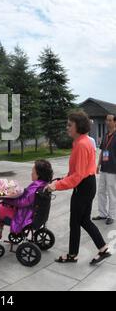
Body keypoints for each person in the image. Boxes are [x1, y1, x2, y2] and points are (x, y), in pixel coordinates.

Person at [47, 111, 110, 265]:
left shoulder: (82, 144)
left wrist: (56, 185)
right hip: (87, 183)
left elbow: (77, 176)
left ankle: (72, 255)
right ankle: (103, 249)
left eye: (70, 125)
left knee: (75, 222)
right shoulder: (82, 141)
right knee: (84, 220)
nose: (67, 127)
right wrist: (64, 178)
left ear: (78, 126)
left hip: (84, 186)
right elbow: (76, 170)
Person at [0, 159, 53, 244]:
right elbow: (27, 198)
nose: (31, 173)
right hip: (32, 214)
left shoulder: (36, 187)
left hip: (24, 216)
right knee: (1, 209)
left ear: (39, 174)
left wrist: (3, 197)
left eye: (33, 172)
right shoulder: (43, 184)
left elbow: (21, 202)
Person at [93, 114, 116, 225]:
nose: (107, 122)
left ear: (115, 122)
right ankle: (102, 214)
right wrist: (98, 165)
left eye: (110, 120)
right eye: (107, 120)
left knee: (112, 193)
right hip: (104, 168)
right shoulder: (106, 135)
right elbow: (102, 151)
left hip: (113, 169)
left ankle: (111, 216)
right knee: (101, 191)